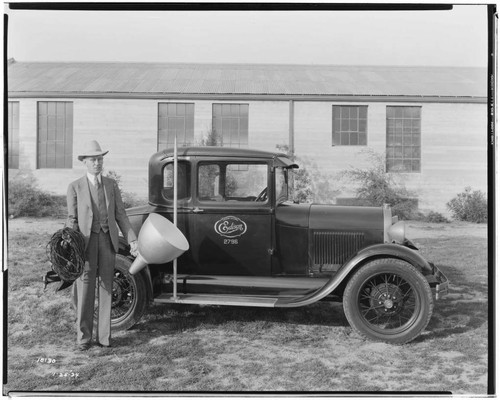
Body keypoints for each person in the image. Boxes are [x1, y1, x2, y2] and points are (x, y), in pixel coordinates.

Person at [66, 140, 138, 351]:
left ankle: (104, 338)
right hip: (85, 245)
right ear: (85, 162)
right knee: (85, 289)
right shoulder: (75, 187)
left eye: (100, 159)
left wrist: (132, 239)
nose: (97, 163)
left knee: (106, 287)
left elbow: (121, 215)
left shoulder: (111, 185)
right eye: (93, 160)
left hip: (107, 241)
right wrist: (68, 243)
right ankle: (83, 339)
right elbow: (72, 219)